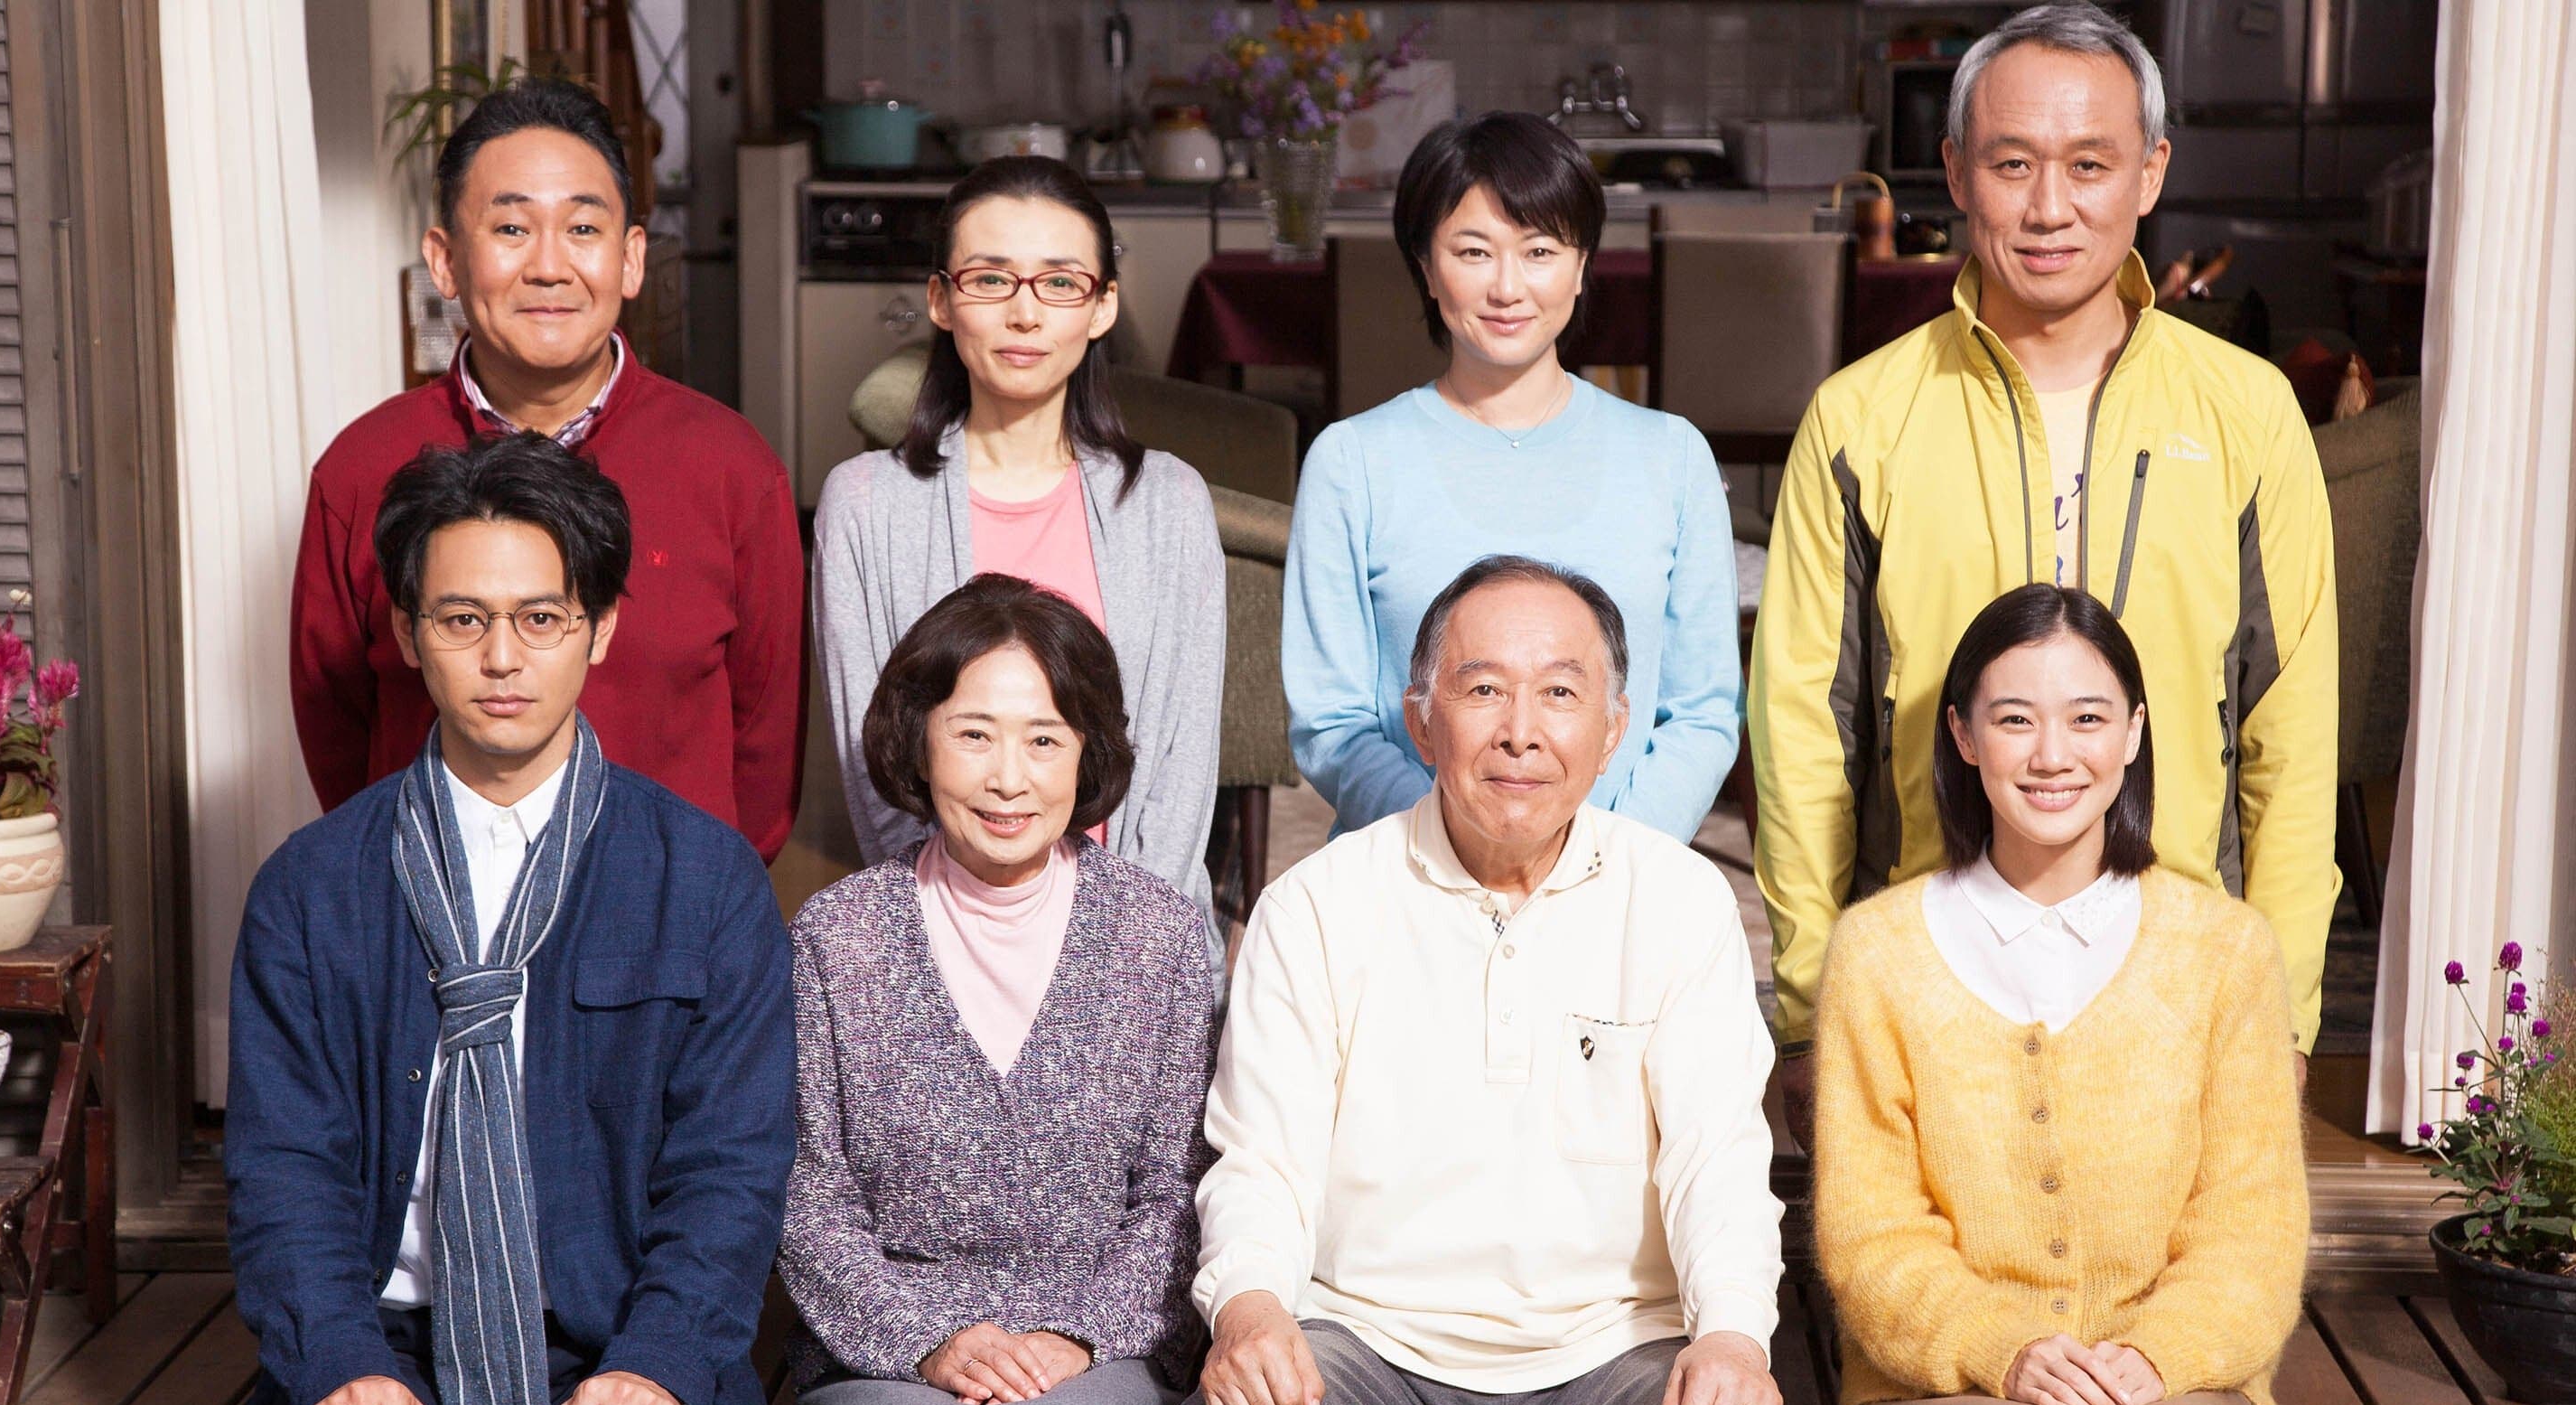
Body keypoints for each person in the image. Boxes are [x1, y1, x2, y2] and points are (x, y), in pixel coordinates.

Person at [1752, 2, 2338, 1140]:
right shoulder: (1861, 419)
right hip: (1924, 986)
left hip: (2178, 986)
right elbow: (1803, 734)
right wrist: (1815, 1011)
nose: (2050, 206)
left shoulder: (2247, 414)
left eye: (2090, 165)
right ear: (1955, 173)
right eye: (2012, 163)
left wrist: (2281, 1013)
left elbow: (2290, 730)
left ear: (2151, 173)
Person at [228, 432, 798, 1405]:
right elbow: (283, 1166)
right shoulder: (310, 886)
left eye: (542, 618)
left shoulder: (705, 878)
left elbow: (732, 1168)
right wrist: (341, 1357)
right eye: (462, 619)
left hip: (614, 1333)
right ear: (407, 632)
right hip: (392, 1340)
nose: (503, 658)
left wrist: (659, 1357)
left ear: (602, 627)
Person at [1176, 556, 1815, 1405]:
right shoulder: (1315, 906)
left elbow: (1718, 1161)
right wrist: (1251, 1308)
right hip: (1366, 1354)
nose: (1522, 730)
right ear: (1421, 719)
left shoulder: (1679, 901)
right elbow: (1260, 1162)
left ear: (1612, 729)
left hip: (1617, 1361)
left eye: (1560, 693)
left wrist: (1731, 1337)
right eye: (1483, 690)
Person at [1813, 584, 2309, 1405]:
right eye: (2014, 719)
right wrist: (2003, 1348)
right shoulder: (1876, 954)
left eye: (2088, 718)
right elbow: (1870, 1234)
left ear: (2134, 732)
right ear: (1963, 735)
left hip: (2176, 1394)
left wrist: (2157, 1352)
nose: (2052, 755)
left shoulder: (2227, 951)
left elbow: (2253, 1230)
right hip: (1947, 1397)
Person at [778, 574, 1214, 1405]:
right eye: (974, 734)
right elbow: (809, 1200)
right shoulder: (837, 937)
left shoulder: (1162, 937)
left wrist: (1077, 1336)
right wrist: (931, 1339)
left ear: (1088, 753)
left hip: (1103, 1352)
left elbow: (1177, 1194)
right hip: (889, 1360)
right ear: (917, 740)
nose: (1009, 778)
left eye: (1044, 739)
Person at [293, 75, 808, 864]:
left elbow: (766, 752)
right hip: (432, 907)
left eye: (582, 229)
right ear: (445, 261)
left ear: (630, 259)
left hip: (664, 912)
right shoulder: (361, 470)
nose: (548, 267)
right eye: (510, 228)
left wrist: (699, 899)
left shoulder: (733, 469)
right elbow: (338, 732)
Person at [1282, 113, 1740, 843]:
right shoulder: (1351, 461)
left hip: (1619, 873)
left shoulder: (1672, 456)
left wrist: (1600, 861)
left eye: (1539, 251)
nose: (1506, 286)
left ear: (1582, 266)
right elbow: (1331, 721)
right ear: (1426, 267)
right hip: (1408, 869)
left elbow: (1705, 711)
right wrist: (1456, 846)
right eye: (1473, 251)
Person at [816, 155, 1224, 952]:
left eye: (1060, 282)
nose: (1025, 314)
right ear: (941, 300)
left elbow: (1180, 778)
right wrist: (952, 949)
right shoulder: (865, 503)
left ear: (1103, 306)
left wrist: (1119, 958)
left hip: (1136, 947)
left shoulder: (1170, 504)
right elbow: (878, 768)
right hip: (935, 943)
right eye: (991, 280)